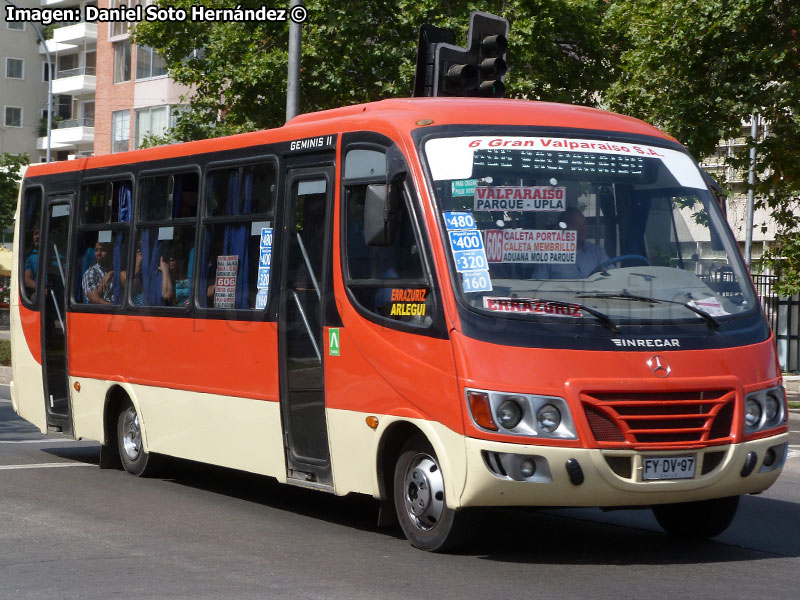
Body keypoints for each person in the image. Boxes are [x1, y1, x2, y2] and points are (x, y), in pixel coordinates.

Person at [547, 207, 610, 279]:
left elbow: (612, 277)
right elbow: (536, 284)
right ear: (564, 228)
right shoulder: (549, 255)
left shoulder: (598, 253)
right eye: (577, 225)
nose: (584, 228)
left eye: (584, 224)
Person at [23, 225, 40, 296]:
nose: (38, 236)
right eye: (36, 233)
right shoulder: (30, 257)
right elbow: (27, 280)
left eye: (41, 233)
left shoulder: (58, 253)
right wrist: (42, 289)